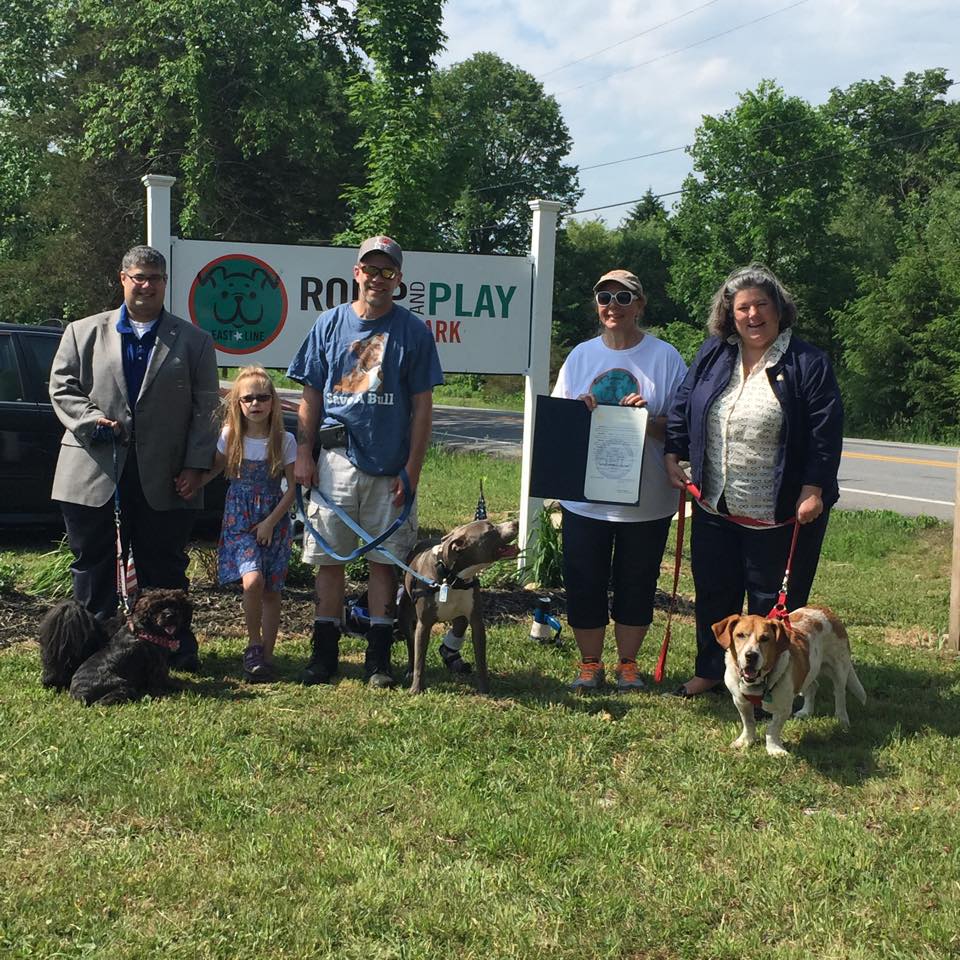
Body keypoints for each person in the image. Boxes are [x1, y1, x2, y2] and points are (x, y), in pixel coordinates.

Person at [664, 264, 843, 698]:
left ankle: (770, 684)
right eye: (742, 307)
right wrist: (673, 451)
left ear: (779, 309)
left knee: (771, 609)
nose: (752, 315)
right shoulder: (713, 353)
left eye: (762, 304)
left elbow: (825, 430)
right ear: (730, 315)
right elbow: (683, 406)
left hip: (780, 511)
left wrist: (814, 488)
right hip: (715, 504)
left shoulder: (808, 363)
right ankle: (711, 670)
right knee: (715, 593)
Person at [49, 245, 219, 669]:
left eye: (155, 278)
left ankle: (171, 651)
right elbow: (62, 387)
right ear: (123, 279)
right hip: (93, 468)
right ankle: (89, 653)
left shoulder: (194, 341)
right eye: (138, 277)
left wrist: (197, 466)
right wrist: (90, 419)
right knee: (92, 565)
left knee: (165, 565)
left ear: (165, 284)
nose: (146, 285)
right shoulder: (82, 332)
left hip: (167, 474)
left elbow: (207, 408)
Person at [287, 235, 444, 688]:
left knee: (383, 561)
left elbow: (423, 408)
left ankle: (378, 660)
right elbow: (310, 394)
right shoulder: (329, 324)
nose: (377, 278)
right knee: (329, 559)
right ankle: (324, 656)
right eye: (370, 270)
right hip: (335, 460)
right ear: (356, 273)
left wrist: (411, 470)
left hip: (389, 466)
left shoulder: (412, 331)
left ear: (398, 280)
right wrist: (303, 451)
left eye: (387, 272)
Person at [552, 269, 687, 692]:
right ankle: (590, 663)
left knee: (638, 581)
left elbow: (683, 426)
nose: (612, 305)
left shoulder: (665, 358)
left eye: (623, 297)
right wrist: (579, 410)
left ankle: (628, 665)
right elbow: (560, 423)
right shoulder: (581, 356)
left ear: (640, 305)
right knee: (584, 580)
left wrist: (647, 421)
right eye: (604, 296)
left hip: (646, 498)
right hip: (587, 498)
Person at [202, 367, 296, 682]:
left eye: (262, 397)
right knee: (252, 581)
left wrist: (271, 522)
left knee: (271, 590)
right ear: (238, 403)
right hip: (239, 518)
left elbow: (292, 490)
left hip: (274, 519)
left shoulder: (284, 440)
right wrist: (191, 482)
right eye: (248, 398)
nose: (255, 404)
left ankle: (265, 658)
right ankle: (254, 643)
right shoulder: (230, 436)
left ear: (273, 401)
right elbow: (214, 470)